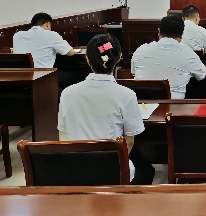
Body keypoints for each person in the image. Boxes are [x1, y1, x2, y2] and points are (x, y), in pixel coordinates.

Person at [58, 34, 155, 184]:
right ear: (119, 58)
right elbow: (129, 141)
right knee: (147, 170)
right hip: (113, 170)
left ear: (87, 59)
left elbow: (63, 137)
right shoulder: (126, 95)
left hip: (77, 170)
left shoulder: (67, 93)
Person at [131, 16, 206, 99]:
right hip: (174, 105)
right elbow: (202, 75)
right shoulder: (189, 54)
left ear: (159, 31)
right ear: (181, 35)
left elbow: (133, 73)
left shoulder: (140, 50)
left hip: (142, 104)